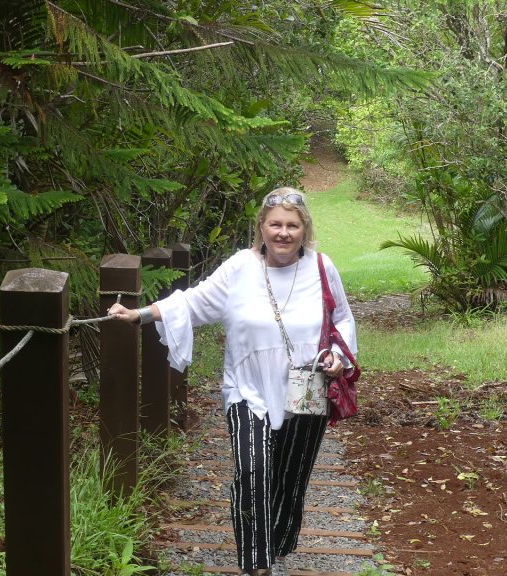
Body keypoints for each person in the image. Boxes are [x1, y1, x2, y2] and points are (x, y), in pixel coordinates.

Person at [107, 187, 358, 576]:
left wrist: (339, 357)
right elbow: (193, 301)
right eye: (275, 224)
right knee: (252, 470)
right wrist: (139, 315)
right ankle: (257, 565)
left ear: (304, 229)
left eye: (292, 225)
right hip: (247, 387)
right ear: (262, 227)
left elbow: (342, 316)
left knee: (290, 478)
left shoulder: (322, 268)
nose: (283, 233)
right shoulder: (241, 267)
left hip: (307, 389)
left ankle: (276, 547)